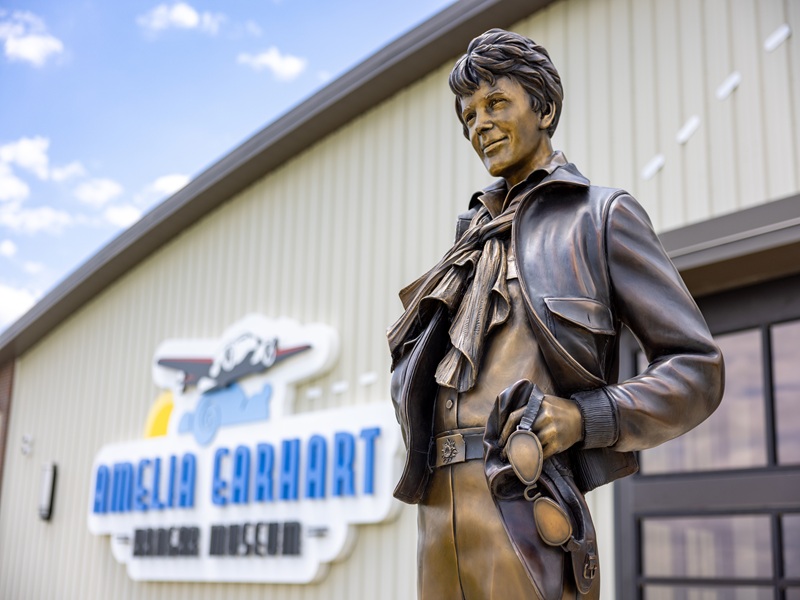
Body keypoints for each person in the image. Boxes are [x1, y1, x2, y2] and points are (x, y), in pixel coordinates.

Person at [387, 29, 724, 600]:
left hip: (524, 504)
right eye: (469, 115)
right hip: (438, 513)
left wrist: (585, 416)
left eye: (496, 104)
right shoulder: (467, 247)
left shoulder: (600, 217)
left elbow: (697, 367)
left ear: (542, 108)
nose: (479, 125)